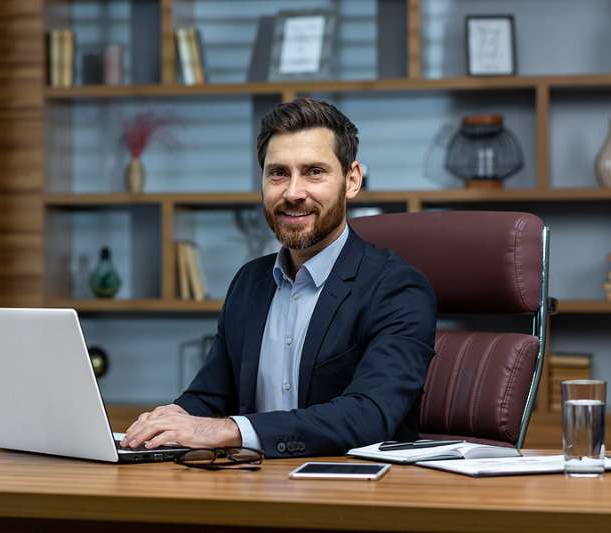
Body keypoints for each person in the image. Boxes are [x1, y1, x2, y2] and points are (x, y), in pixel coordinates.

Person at [120, 98, 437, 457]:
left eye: (314, 172)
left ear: (352, 181)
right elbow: (210, 395)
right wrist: (170, 419)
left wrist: (230, 430)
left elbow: (369, 416)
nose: (292, 193)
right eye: (278, 173)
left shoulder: (397, 289)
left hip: (354, 496)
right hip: (251, 488)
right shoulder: (249, 282)